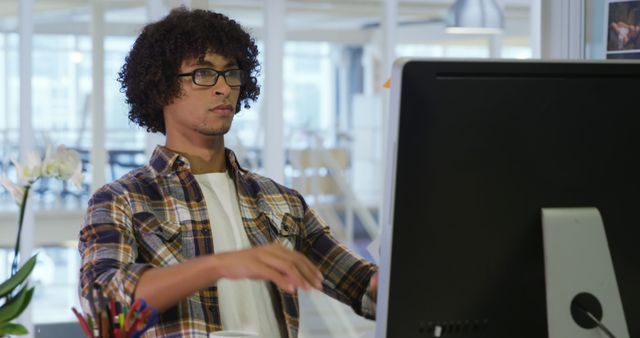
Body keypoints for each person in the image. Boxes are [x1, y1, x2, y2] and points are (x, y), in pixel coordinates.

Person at [78, 6, 378, 338]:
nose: (223, 88)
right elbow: (103, 305)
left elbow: (364, 287)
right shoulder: (122, 201)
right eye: (203, 73)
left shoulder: (281, 201)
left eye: (231, 73)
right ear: (160, 86)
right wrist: (220, 264)